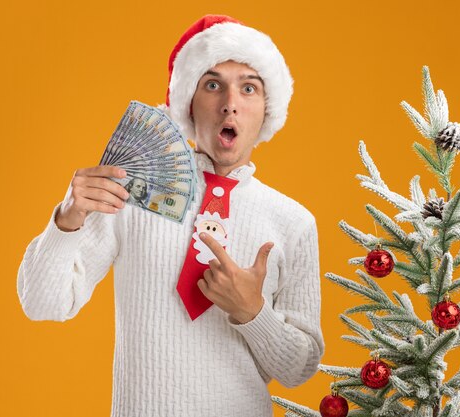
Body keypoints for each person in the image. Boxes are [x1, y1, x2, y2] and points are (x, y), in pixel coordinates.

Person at [17, 14, 324, 417]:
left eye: (249, 88)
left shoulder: (294, 222)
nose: (230, 102)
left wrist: (253, 312)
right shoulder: (129, 194)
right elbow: (42, 304)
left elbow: (299, 369)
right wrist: (68, 220)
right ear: (188, 104)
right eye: (212, 85)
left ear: (267, 109)